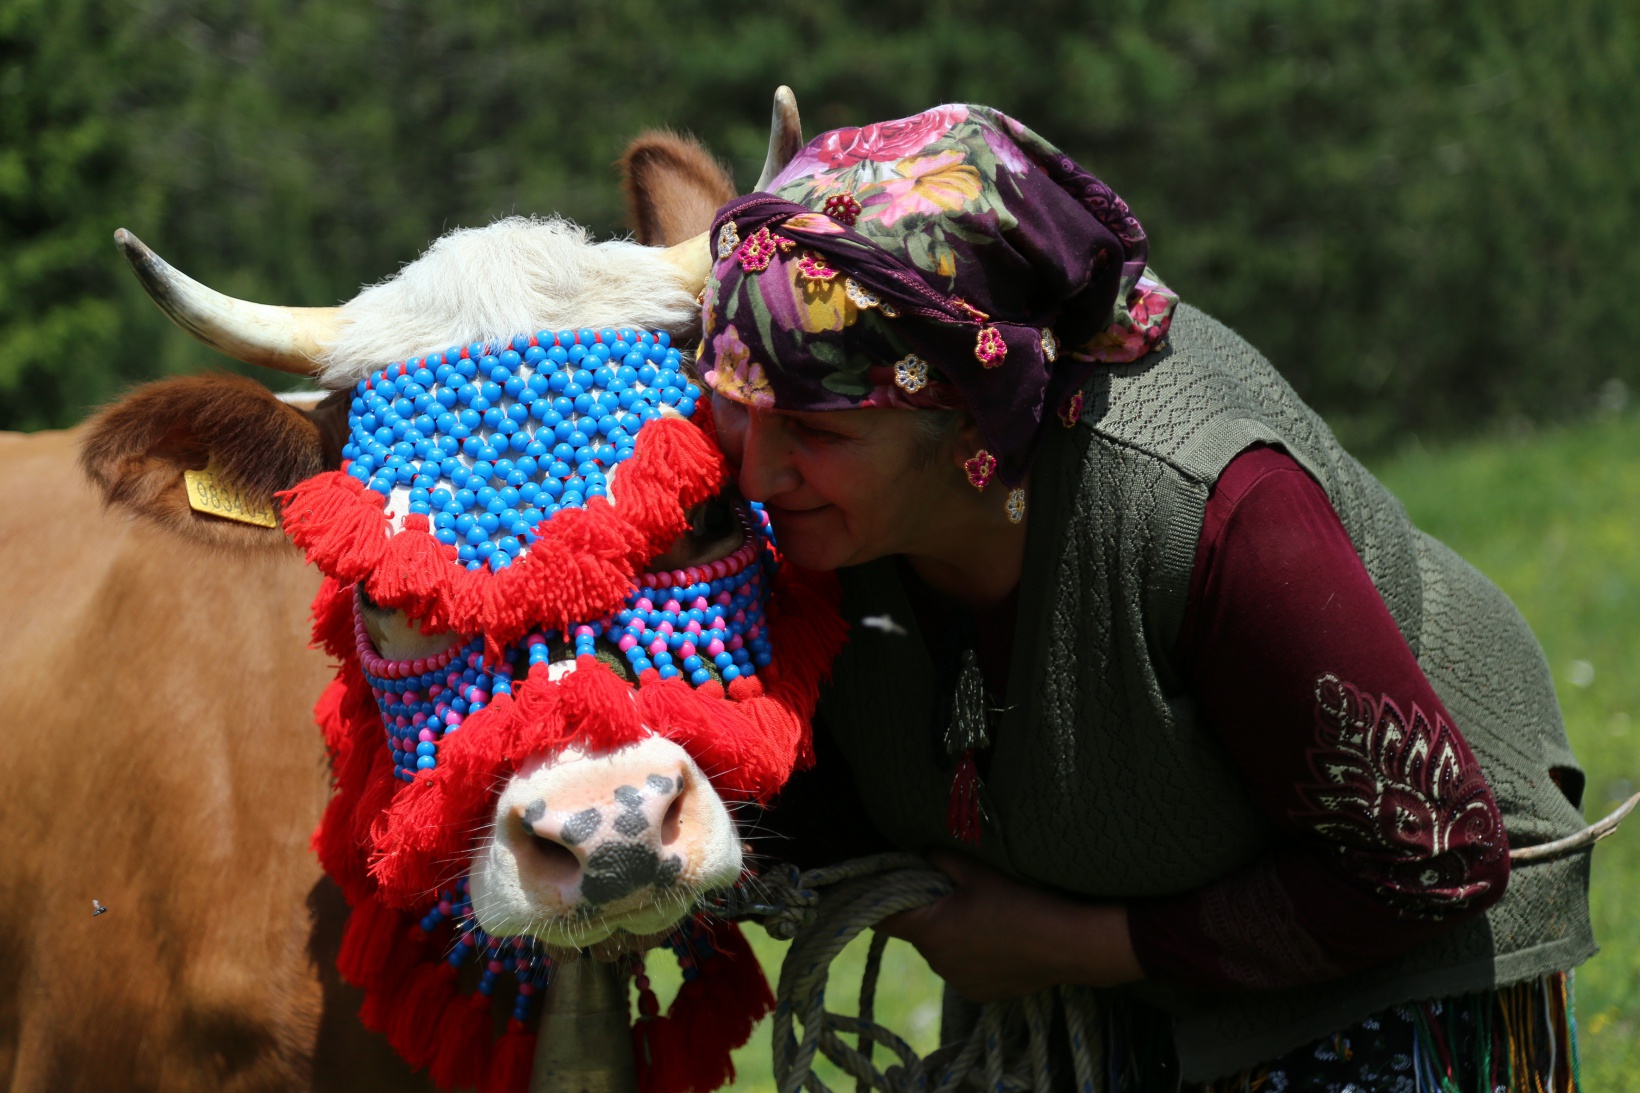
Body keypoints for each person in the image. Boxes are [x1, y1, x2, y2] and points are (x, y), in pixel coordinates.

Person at [697, 105, 1594, 1091]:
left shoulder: (1204, 507)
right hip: (1072, 946)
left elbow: (1429, 864)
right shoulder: (807, 535)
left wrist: (1071, 944)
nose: (761, 470)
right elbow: (798, 798)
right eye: (741, 413)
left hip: (1383, 945)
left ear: (972, 428)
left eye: (817, 433)